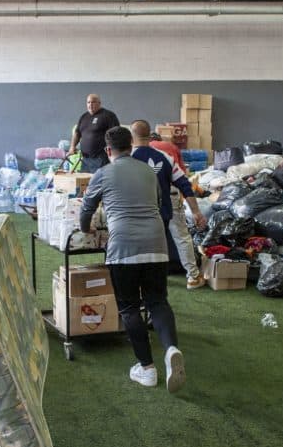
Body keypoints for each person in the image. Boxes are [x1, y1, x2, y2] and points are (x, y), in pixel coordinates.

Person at [79, 126, 187, 393]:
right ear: (132, 146)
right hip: (156, 244)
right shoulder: (149, 172)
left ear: (108, 150)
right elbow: (159, 203)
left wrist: (85, 229)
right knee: (158, 302)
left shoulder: (102, 173)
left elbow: (87, 208)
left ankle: (147, 368)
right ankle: (171, 348)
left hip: (123, 247)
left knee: (129, 308)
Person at [129, 120, 207, 289]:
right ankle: (193, 276)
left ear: (132, 136)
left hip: (137, 209)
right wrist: (196, 212)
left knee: (139, 243)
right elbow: (184, 184)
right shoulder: (165, 157)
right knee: (181, 237)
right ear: (150, 135)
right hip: (165, 203)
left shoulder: (128, 158)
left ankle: (140, 281)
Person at [68, 93, 120, 173]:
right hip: (85, 159)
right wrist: (72, 146)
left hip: (101, 158)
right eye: (88, 102)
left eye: (93, 102)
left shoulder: (108, 115)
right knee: (85, 183)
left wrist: (113, 152)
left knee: (99, 183)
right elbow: (77, 133)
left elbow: (116, 134)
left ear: (99, 103)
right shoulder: (84, 116)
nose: (90, 104)